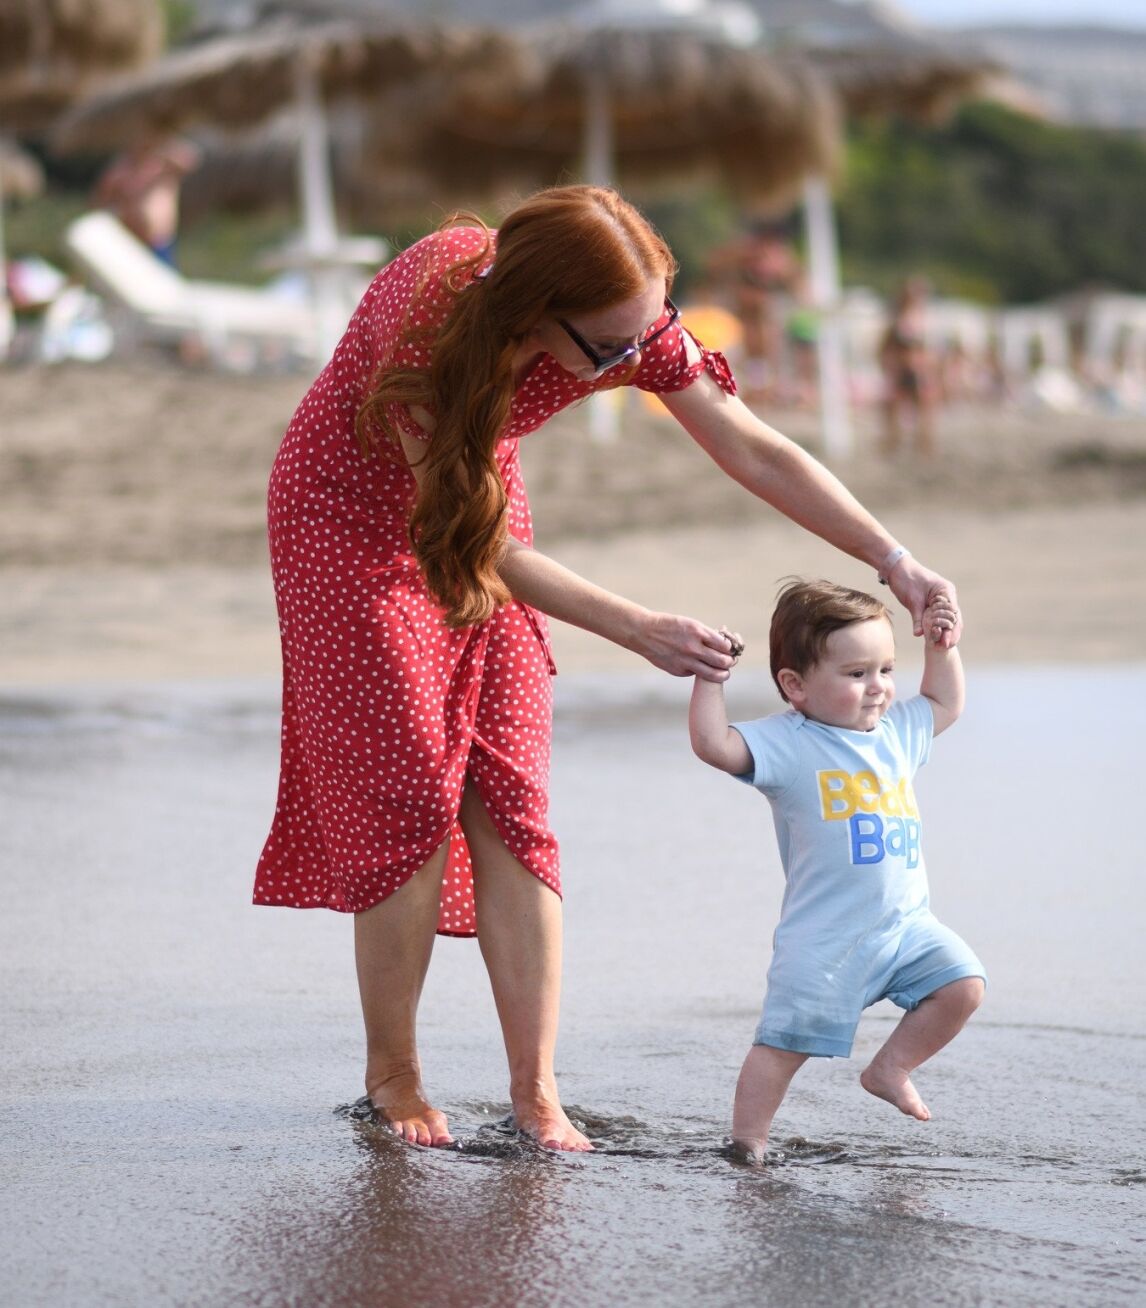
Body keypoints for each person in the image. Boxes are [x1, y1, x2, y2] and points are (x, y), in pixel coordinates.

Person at [254, 185, 962, 1154]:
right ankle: (395, 1078)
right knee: (411, 792)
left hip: (487, 508)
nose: (637, 358)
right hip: (351, 528)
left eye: (648, 333)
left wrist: (893, 559)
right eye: (610, 347)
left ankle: (536, 1092)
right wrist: (635, 628)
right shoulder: (429, 326)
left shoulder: (623, 322)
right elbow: (469, 539)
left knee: (513, 799)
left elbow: (747, 444)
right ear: (532, 313)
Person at [688, 579, 985, 1162]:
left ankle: (890, 1067)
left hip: (905, 927)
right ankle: (747, 1144)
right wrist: (710, 678)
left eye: (885, 669)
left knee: (964, 985)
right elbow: (713, 744)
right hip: (824, 941)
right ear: (795, 686)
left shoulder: (898, 731)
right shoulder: (789, 743)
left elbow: (946, 703)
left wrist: (941, 648)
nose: (878, 688)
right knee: (781, 1047)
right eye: (856, 675)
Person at [93, 134, 201, 267]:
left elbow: (188, 160)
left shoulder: (164, 167)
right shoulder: (122, 169)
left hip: (158, 244)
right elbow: (100, 201)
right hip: (125, 242)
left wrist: (161, 147)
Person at [878, 277, 940, 456]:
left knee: (922, 409)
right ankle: (896, 445)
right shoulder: (903, 319)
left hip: (916, 369)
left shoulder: (918, 319)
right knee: (897, 409)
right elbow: (887, 346)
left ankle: (921, 447)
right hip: (905, 368)